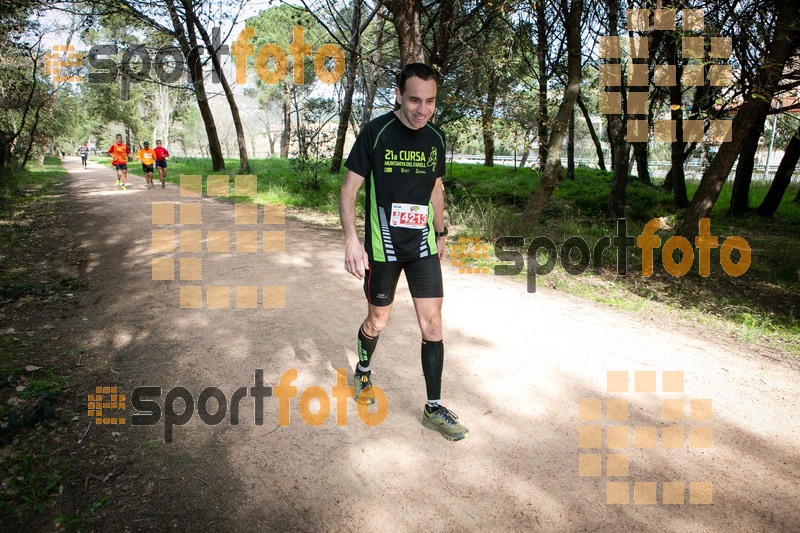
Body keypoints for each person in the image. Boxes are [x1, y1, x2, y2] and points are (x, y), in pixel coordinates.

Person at [339, 63, 469, 441]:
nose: (422, 109)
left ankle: (433, 407)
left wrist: (441, 232)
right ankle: (363, 372)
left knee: (433, 324)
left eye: (430, 101)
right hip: (384, 247)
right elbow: (349, 190)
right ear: (398, 94)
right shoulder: (375, 133)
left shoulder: (435, 138)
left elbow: (436, 189)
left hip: (423, 246)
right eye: (414, 99)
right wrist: (351, 239)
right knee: (377, 321)